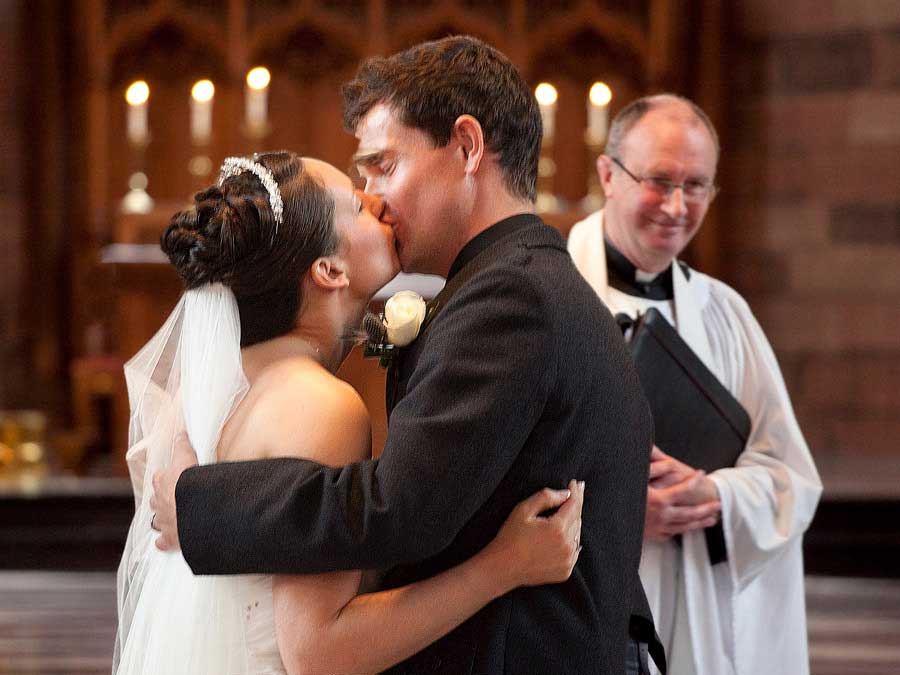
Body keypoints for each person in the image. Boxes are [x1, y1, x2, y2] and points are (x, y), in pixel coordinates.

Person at [151, 37, 658, 674]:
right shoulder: (509, 283)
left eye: (384, 166)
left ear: (467, 147)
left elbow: (397, 509)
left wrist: (201, 507)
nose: (376, 200)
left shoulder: (512, 296)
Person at [115, 150, 586, 674]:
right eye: (357, 207)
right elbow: (320, 654)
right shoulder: (320, 405)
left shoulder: (209, 389)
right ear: (329, 269)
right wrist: (502, 567)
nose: (378, 202)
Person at [567, 93, 823, 675]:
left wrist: (714, 495)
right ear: (608, 175)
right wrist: (620, 510)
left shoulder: (724, 314)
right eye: (659, 181)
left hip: (693, 607)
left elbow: (791, 481)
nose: (677, 206)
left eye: (697, 185)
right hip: (580, 607)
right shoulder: (547, 296)